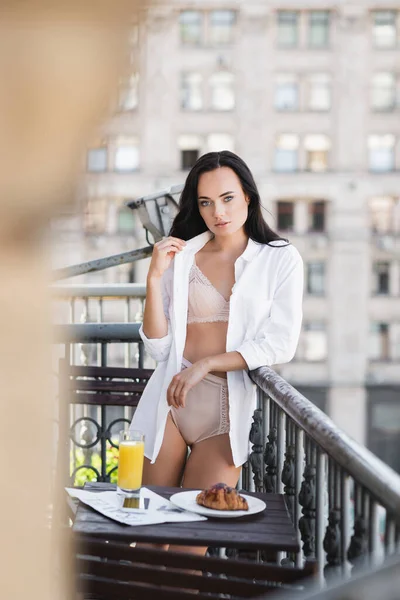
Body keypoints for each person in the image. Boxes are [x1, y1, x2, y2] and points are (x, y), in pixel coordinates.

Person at [131, 150, 303, 499]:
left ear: (248, 198)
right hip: (170, 397)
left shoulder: (280, 258)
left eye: (227, 198)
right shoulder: (183, 257)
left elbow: (281, 343)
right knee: (147, 528)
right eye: (206, 202)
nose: (218, 213)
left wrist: (209, 364)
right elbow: (159, 348)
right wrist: (153, 278)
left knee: (196, 533)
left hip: (227, 410)